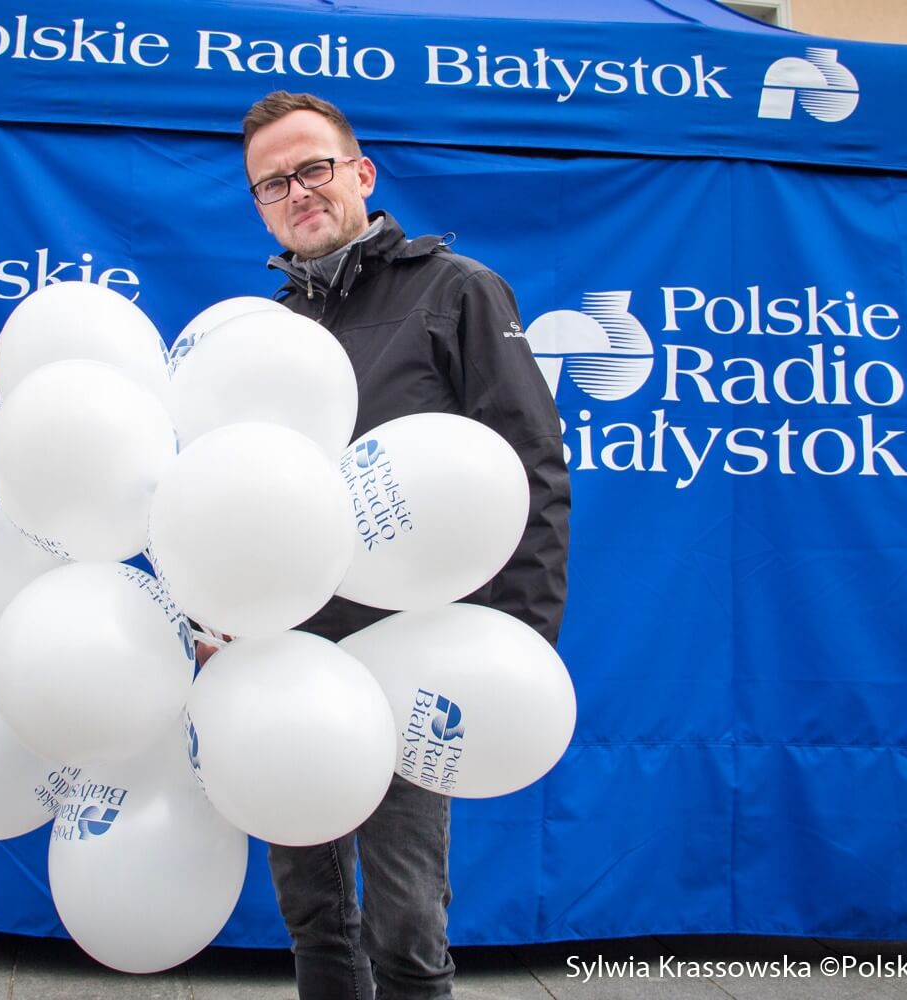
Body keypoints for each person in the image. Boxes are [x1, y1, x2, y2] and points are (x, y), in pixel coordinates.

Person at [238, 91, 571, 1000]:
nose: (297, 192)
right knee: (313, 918)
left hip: (414, 667)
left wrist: (516, 648)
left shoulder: (457, 291)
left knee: (407, 926)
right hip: (287, 659)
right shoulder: (267, 333)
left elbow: (532, 467)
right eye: (272, 184)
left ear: (361, 173)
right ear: (260, 207)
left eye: (313, 168)